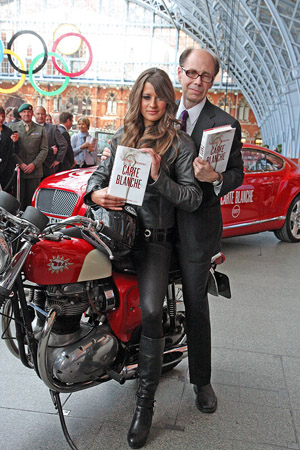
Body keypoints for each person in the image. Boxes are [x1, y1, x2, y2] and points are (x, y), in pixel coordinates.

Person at [84, 67, 202, 449]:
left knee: (151, 312)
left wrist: (157, 176)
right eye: (146, 97)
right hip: (116, 238)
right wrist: (95, 196)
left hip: (154, 242)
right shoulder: (122, 136)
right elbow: (95, 179)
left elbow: (193, 198)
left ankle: (144, 406)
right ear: (139, 98)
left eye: (159, 97)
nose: (152, 104)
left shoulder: (180, 144)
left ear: (169, 100)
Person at [176, 48, 244, 414]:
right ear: (180, 72)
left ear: (212, 81)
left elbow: (238, 174)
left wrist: (216, 177)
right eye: (191, 73)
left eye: (205, 76)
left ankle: (201, 380)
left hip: (198, 227)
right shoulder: (157, 112)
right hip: (155, 225)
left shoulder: (226, 124)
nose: (197, 81)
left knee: (195, 302)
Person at [9, 103, 48, 210]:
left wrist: (34, 164)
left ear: (32, 114)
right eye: (24, 112)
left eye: (29, 112)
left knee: (32, 202)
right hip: (18, 173)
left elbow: (44, 149)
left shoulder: (40, 129)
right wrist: (21, 164)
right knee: (18, 201)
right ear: (20, 114)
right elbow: (11, 150)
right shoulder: (13, 127)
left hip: (34, 172)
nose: (27, 114)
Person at [34, 106, 68, 178]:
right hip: (33, 167)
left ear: (45, 115)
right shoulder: (30, 128)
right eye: (38, 114)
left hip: (48, 167)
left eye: (42, 114)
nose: (40, 116)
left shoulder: (53, 128)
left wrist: (58, 160)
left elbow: (63, 144)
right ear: (34, 115)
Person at [0, 106, 19, 192]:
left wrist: (15, 142)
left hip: (6, 171)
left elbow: (13, 151)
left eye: (3, 116)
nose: (1, 119)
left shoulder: (8, 131)